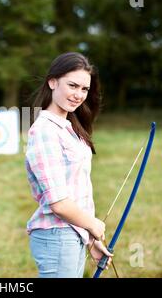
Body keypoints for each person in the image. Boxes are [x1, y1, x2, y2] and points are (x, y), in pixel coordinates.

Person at [25, 52, 113, 278]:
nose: (78, 95)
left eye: (84, 89)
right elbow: (59, 203)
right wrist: (93, 225)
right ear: (52, 82)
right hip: (57, 237)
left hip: (72, 235)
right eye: (72, 85)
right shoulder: (45, 131)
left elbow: (77, 191)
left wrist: (91, 240)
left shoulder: (69, 127)